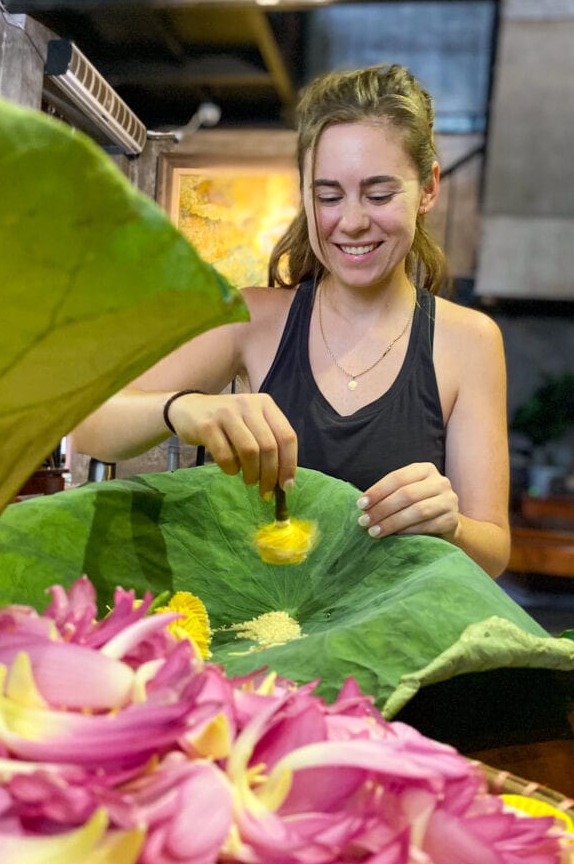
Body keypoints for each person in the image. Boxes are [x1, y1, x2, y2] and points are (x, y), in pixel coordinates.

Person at [72, 64, 510, 577]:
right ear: (304, 192)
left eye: (379, 194)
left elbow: (494, 550)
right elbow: (88, 426)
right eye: (328, 196)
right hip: (262, 629)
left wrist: (452, 525)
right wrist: (184, 409)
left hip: (393, 643)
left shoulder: (469, 342)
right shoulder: (252, 318)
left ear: (428, 188)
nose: (351, 221)